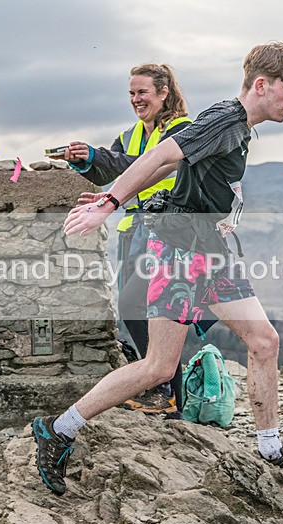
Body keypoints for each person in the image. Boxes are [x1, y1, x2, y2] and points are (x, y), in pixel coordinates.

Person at [32, 42, 283, 496]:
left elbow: (165, 167)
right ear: (262, 84)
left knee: (264, 341)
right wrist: (111, 203)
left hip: (213, 252)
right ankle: (58, 430)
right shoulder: (223, 119)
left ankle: (271, 449)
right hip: (180, 253)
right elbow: (159, 157)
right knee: (157, 367)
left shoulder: (238, 127)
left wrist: (117, 192)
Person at [54, 63, 214, 416]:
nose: (136, 99)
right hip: (136, 235)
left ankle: (158, 387)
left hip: (170, 232)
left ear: (163, 92)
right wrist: (84, 162)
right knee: (145, 312)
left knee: (137, 306)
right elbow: (114, 169)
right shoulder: (129, 135)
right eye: (131, 93)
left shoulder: (182, 130)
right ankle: (171, 403)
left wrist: (99, 155)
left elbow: (147, 164)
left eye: (142, 92)